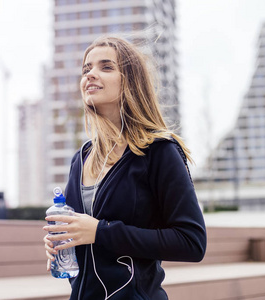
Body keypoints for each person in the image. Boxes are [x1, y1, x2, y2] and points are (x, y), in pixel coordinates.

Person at [43, 36, 207, 300]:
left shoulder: (159, 151)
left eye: (106, 67)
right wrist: (64, 244)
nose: (91, 75)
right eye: (86, 69)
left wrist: (99, 232)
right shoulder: (81, 158)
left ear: (131, 82)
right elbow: (82, 235)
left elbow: (192, 242)